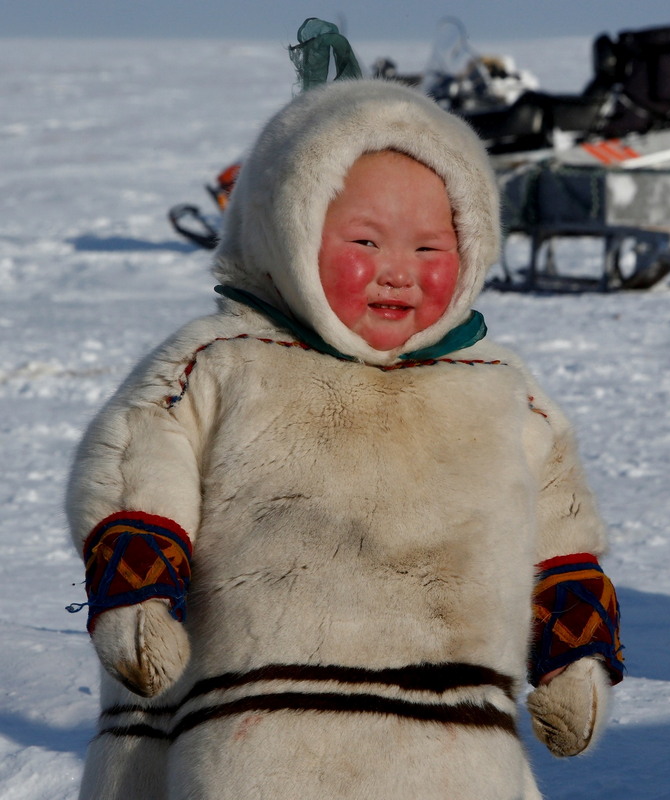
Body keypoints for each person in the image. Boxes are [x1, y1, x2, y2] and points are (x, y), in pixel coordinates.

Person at [67, 78, 623, 800]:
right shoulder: (226, 362)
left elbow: (562, 531)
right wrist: (139, 605)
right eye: (365, 241)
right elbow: (139, 471)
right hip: (257, 739)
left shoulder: (500, 394)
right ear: (287, 230)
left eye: (430, 246)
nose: (399, 271)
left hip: (454, 753)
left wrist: (572, 655)